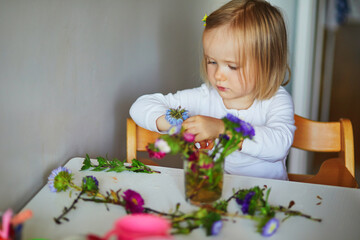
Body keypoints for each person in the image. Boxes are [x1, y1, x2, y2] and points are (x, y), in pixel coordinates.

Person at [130, 0, 296, 180]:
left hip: (269, 197)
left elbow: (279, 145)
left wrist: (222, 128)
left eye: (232, 66)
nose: (218, 75)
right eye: (212, 62)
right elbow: (140, 106)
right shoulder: (205, 97)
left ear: (268, 65)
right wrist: (177, 124)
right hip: (214, 194)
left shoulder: (276, 100)